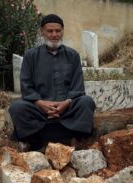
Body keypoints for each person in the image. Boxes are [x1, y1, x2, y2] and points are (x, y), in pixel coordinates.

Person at [9, 14, 96, 151]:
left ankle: (76, 140)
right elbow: (26, 86)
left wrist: (66, 103)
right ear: (42, 32)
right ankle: (36, 144)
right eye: (50, 31)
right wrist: (40, 103)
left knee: (86, 102)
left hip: (67, 108)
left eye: (58, 31)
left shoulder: (72, 55)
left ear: (62, 31)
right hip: (39, 109)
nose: (54, 34)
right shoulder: (31, 56)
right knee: (17, 108)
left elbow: (77, 86)